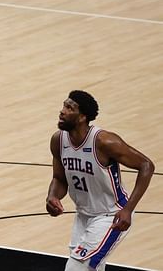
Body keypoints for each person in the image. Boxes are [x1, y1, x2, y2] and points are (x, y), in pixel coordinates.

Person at [46, 90, 154, 271]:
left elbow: (146, 166)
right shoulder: (58, 140)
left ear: (82, 117)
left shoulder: (104, 142)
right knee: (92, 266)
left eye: (69, 108)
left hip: (111, 215)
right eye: (64, 105)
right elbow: (59, 178)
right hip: (83, 214)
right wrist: (52, 197)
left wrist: (128, 209)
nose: (62, 111)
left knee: (77, 267)